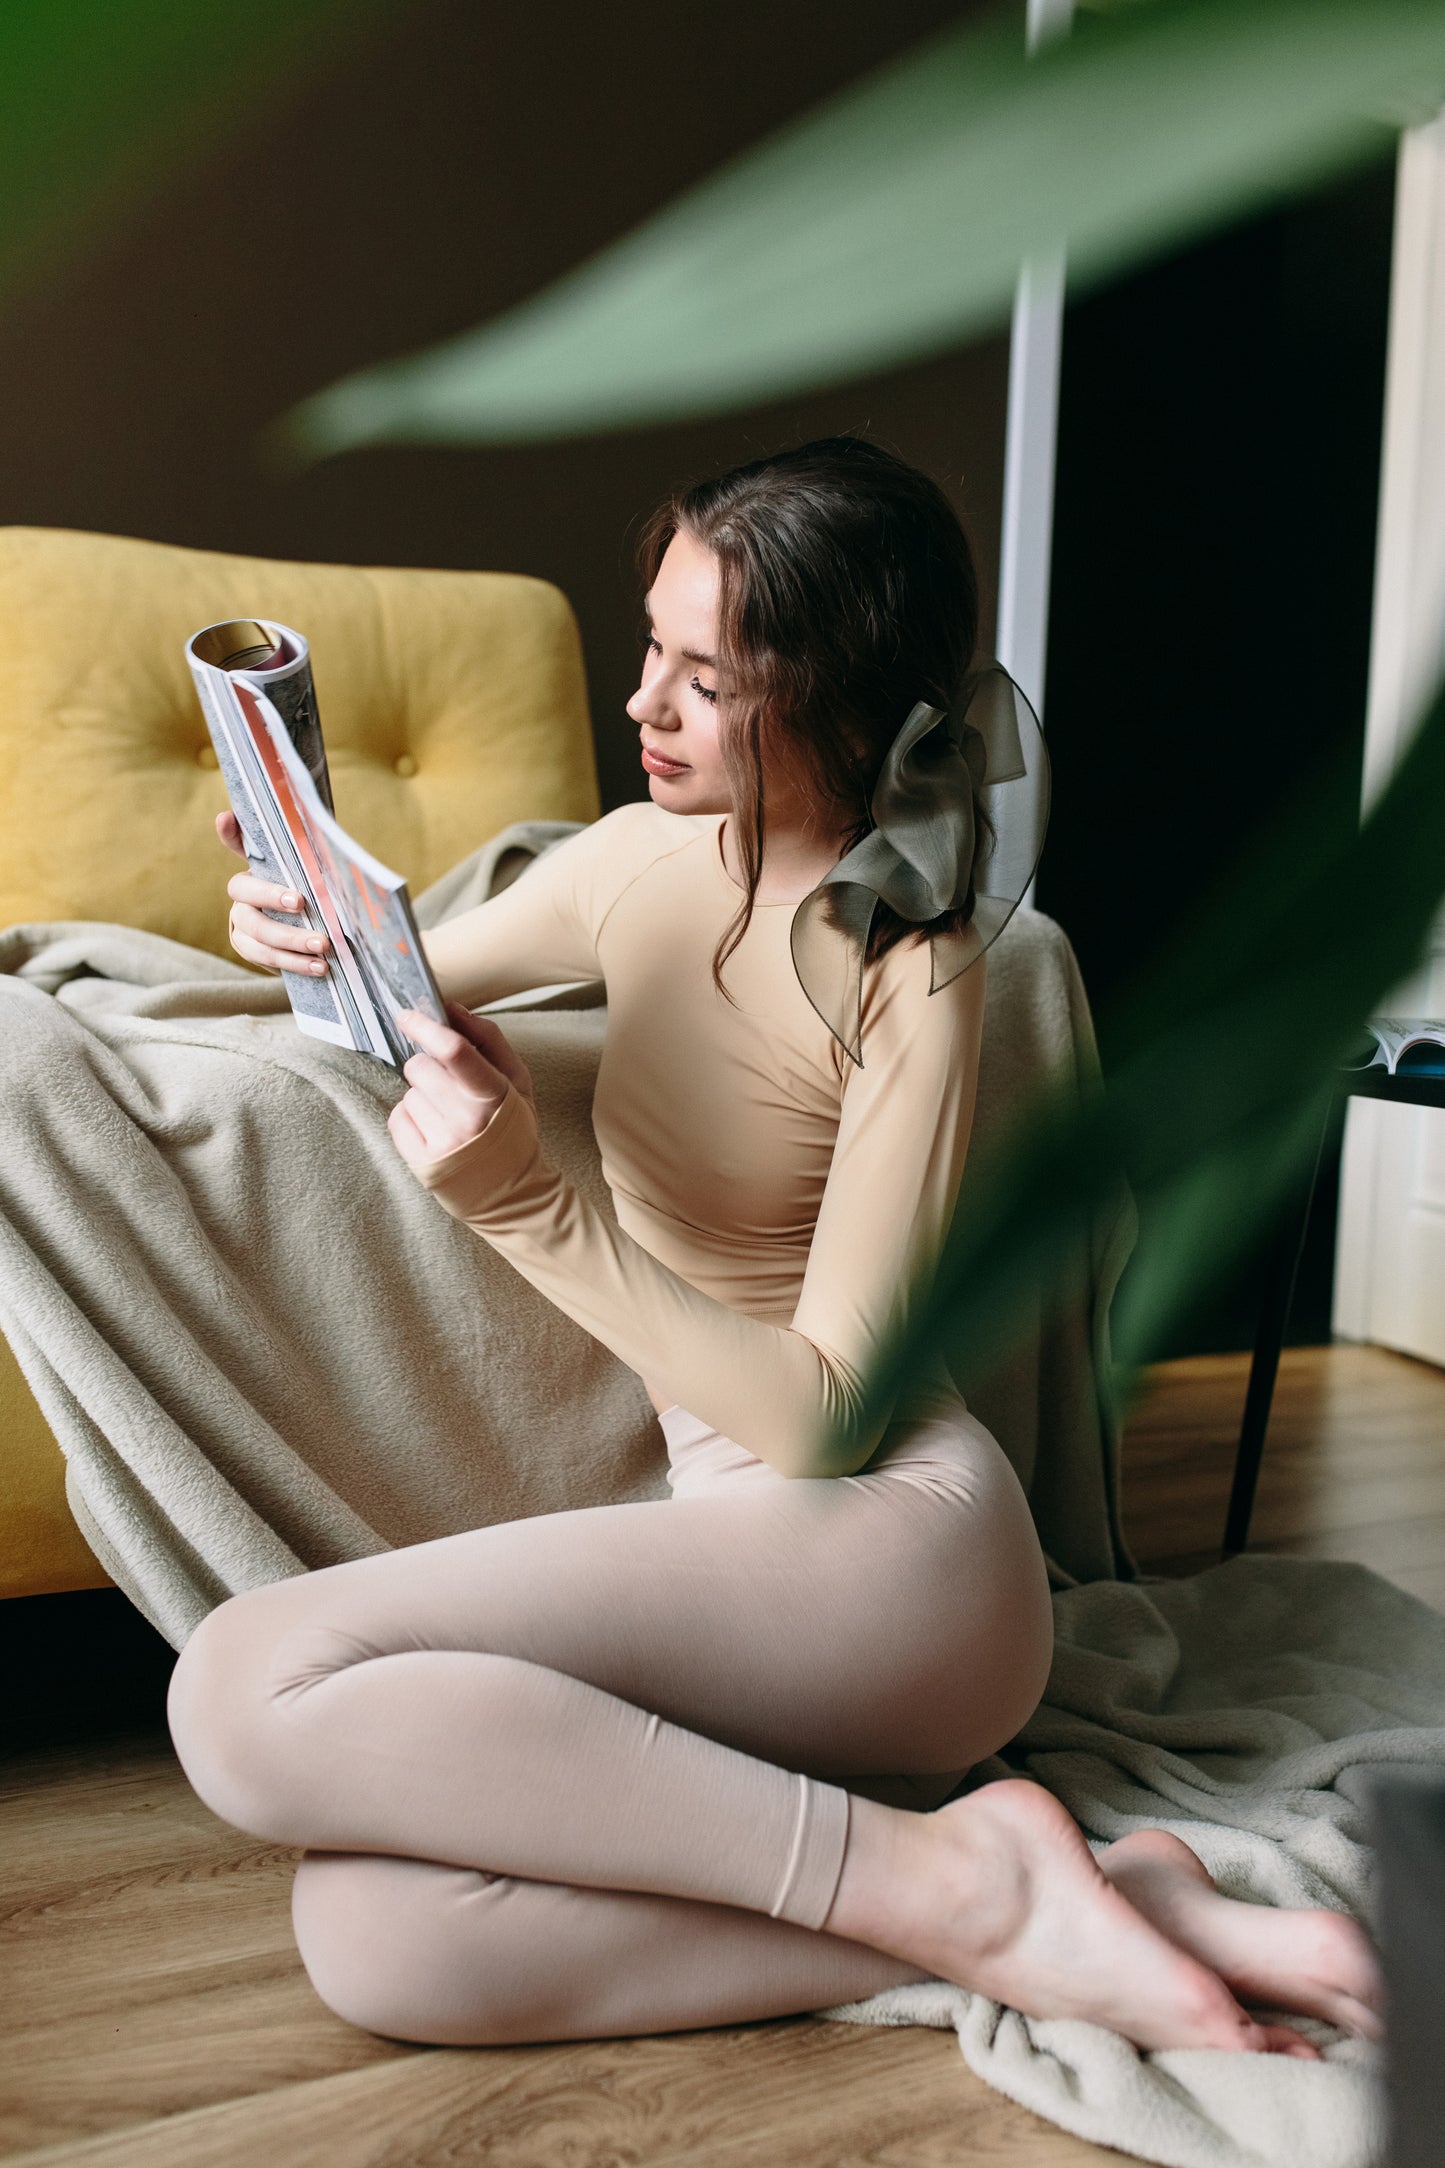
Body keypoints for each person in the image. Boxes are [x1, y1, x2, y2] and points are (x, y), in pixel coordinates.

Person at [167, 437, 1379, 2053]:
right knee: (381, 1939)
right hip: (754, 1583)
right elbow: (381, 992)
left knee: (237, 1688)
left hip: (895, 1555)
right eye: (648, 648)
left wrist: (530, 1201)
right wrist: (296, 927)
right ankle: (1011, 1897)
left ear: (833, 698)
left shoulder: (914, 966)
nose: (642, 707)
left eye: (704, 678)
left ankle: (992, 1887)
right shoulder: (621, 869)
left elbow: (825, 1417)